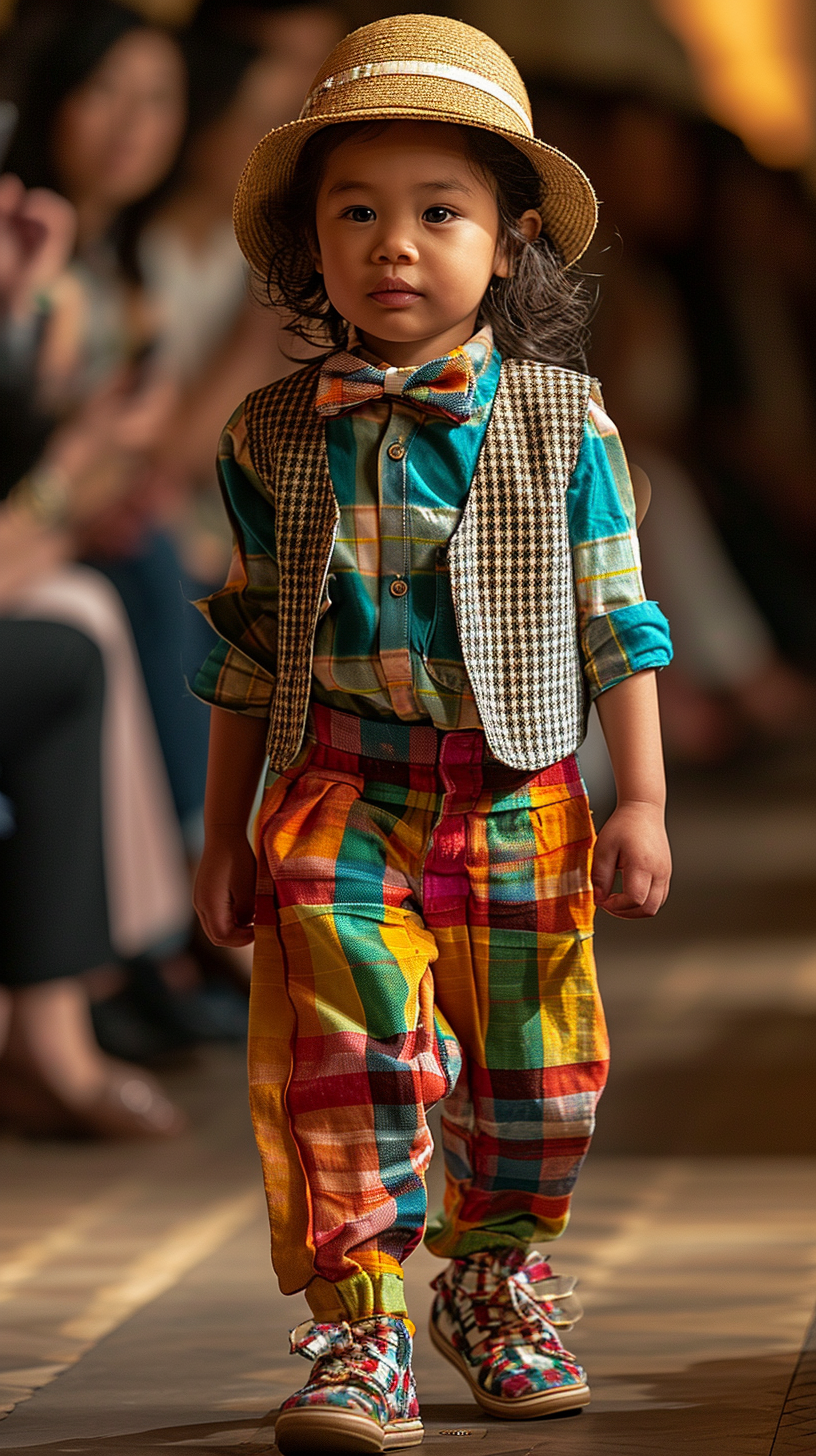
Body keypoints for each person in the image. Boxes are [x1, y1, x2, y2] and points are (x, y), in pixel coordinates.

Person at [193, 16, 673, 1453]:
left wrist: (639, 797)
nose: (393, 244)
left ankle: (497, 1281)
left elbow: (618, 623)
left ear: (513, 242)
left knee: (539, 1069)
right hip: (339, 790)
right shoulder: (270, 434)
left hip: (521, 792)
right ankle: (359, 1333)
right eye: (356, 212)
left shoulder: (564, 421)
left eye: (437, 212)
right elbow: (248, 644)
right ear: (309, 247)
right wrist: (223, 830)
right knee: (349, 1063)